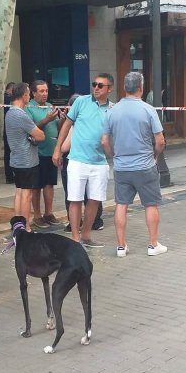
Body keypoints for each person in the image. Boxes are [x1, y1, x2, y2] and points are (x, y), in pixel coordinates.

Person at [101, 72, 167, 257]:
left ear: (124, 87)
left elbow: (105, 141)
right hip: (145, 166)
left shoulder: (112, 111)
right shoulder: (148, 110)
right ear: (141, 87)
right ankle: (153, 245)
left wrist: (113, 156)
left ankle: (121, 246)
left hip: (122, 167)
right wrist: (155, 155)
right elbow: (160, 140)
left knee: (121, 204)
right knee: (151, 204)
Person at [53, 73, 114, 248]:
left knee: (94, 200)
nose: (95, 87)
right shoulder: (81, 102)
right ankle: (75, 238)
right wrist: (57, 148)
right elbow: (66, 125)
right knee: (75, 199)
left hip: (99, 162)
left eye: (100, 85)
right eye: (94, 84)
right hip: (77, 160)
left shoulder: (113, 109)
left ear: (109, 89)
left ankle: (86, 235)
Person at [60, 94, 104, 233]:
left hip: (75, 162)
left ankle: (76, 224)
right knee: (93, 195)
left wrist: (58, 146)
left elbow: (64, 147)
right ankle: (95, 221)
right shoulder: (94, 120)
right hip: (94, 161)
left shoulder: (75, 125)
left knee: (74, 196)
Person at [5, 83, 45, 232]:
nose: (29, 96)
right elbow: (40, 135)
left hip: (16, 158)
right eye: (28, 94)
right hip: (27, 160)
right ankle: (26, 226)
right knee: (26, 195)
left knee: (20, 191)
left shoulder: (9, 112)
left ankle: (18, 225)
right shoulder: (21, 114)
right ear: (23, 95)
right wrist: (34, 136)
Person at [26, 80, 61, 229]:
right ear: (33, 93)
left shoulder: (51, 106)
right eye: (41, 91)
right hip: (37, 153)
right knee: (36, 186)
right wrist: (47, 119)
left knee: (49, 184)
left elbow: (57, 125)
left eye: (46, 91)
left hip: (51, 152)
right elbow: (31, 128)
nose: (45, 94)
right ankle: (37, 215)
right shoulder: (29, 108)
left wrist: (64, 119)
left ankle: (49, 213)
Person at [3, 82, 15, 184]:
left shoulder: (4, 98)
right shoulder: (7, 100)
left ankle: (10, 175)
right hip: (9, 129)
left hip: (7, 129)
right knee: (9, 153)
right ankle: (10, 176)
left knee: (8, 153)